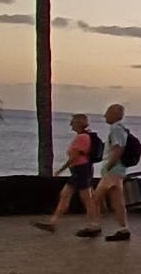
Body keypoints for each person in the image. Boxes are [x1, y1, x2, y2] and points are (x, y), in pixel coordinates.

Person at [33, 113, 98, 232]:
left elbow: (74, 157)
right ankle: (53, 221)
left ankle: (94, 223)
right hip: (80, 170)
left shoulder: (82, 138)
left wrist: (60, 169)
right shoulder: (83, 137)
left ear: (78, 123)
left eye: (72, 122)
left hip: (81, 170)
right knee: (65, 195)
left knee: (86, 198)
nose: (70, 124)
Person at [81, 103, 135, 241]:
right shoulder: (121, 129)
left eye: (108, 112)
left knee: (100, 199)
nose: (105, 115)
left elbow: (118, 149)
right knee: (111, 200)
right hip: (116, 171)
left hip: (113, 171)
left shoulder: (116, 129)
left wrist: (109, 166)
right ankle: (119, 228)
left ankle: (98, 226)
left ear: (115, 114)